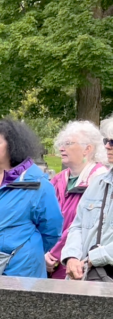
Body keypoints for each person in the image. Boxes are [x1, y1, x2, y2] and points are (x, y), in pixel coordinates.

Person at [0, 118, 62, 278]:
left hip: (19, 270)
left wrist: (23, 250)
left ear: (13, 145)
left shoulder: (39, 185)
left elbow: (51, 230)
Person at [45, 121, 107, 279]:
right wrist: (43, 253)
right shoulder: (58, 180)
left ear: (88, 149)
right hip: (47, 261)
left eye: (68, 143)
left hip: (79, 265)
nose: (61, 148)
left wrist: (54, 255)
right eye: (60, 143)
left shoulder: (100, 181)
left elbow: (79, 225)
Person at [63, 116, 113, 281]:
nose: (107, 146)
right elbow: (78, 225)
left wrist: (95, 257)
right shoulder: (99, 182)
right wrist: (71, 257)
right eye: (106, 140)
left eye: (112, 142)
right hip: (86, 277)